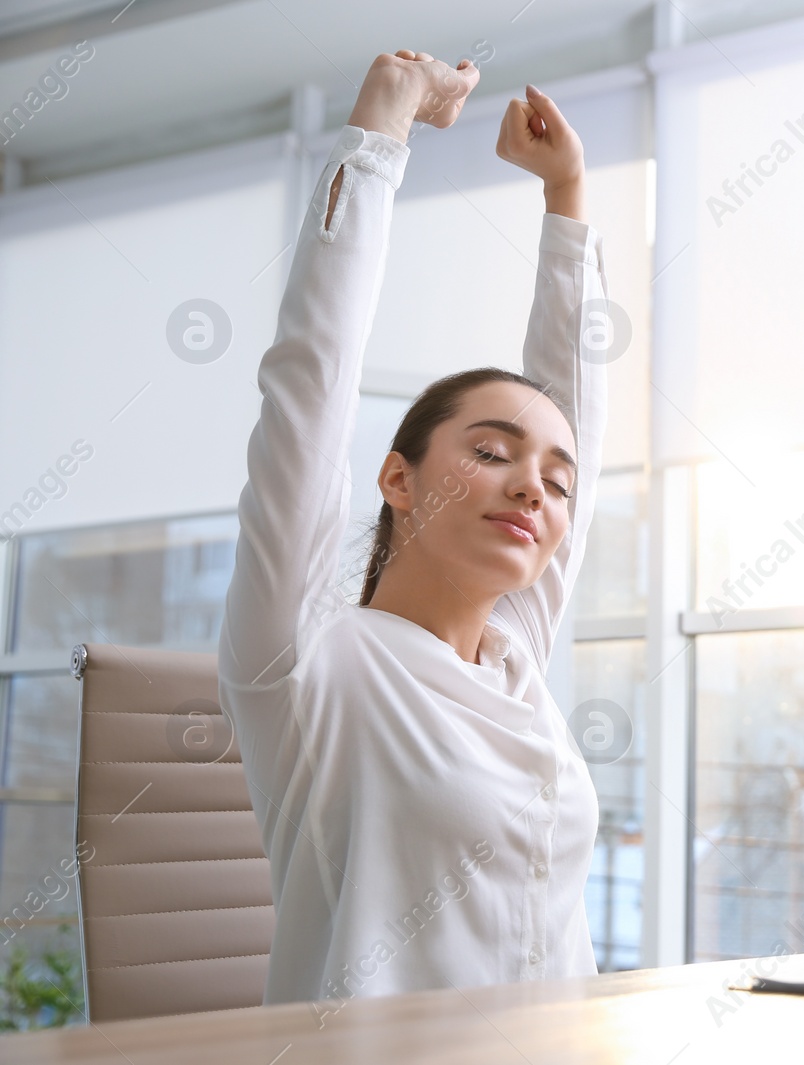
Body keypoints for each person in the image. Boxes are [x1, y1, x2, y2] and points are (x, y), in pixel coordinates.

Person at [217, 48, 608, 1009]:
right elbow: (309, 384)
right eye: (489, 452)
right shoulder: (309, 657)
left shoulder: (516, 657)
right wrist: (379, 137)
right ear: (397, 477)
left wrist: (568, 201)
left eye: (556, 486)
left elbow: (574, 419)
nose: (534, 491)